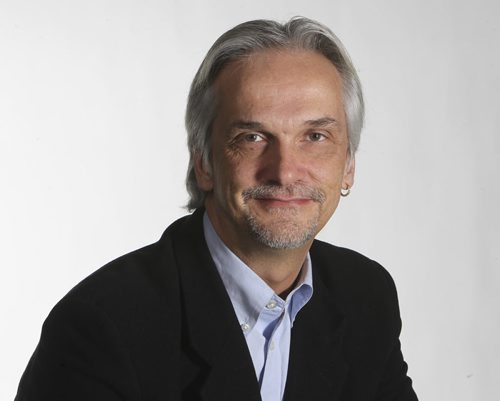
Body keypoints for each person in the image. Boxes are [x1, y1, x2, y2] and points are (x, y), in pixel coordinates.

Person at [16, 17, 418, 401]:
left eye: (315, 136)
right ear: (204, 162)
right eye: (253, 136)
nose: (285, 171)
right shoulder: (103, 328)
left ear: (349, 165)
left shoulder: (365, 296)